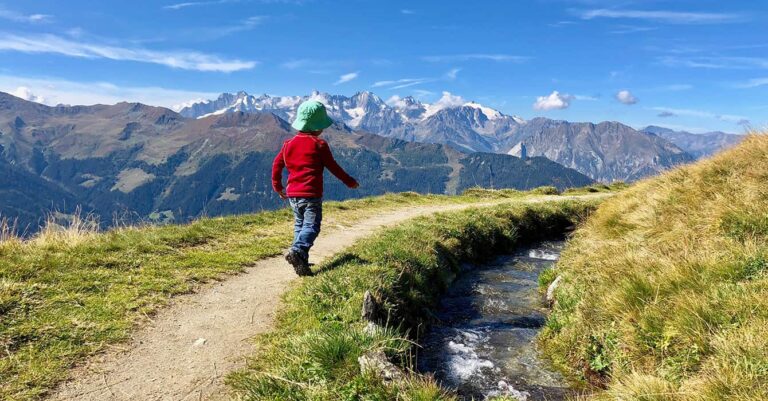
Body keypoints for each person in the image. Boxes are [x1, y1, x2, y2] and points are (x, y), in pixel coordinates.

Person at [271, 100, 359, 276]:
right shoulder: (319, 145)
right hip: (311, 195)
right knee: (312, 226)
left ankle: (301, 260)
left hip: (292, 195)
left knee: (300, 225)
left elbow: (276, 165)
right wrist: (349, 181)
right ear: (317, 126)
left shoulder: (288, 144)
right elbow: (333, 167)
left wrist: (278, 186)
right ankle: (297, 251)